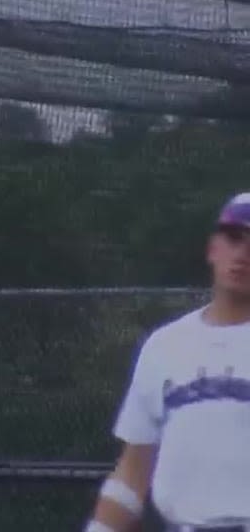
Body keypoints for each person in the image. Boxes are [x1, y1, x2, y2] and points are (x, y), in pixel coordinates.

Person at [86, 191, 250, 532]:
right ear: (212, 249)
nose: (243, 253)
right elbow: (133, 470)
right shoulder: (165, 346)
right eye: (234, 239)